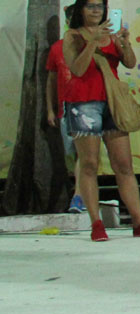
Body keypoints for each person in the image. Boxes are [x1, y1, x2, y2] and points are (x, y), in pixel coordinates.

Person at [62, 0, 140, 241]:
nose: (96, 11)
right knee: (89, 165)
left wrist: (124, 43)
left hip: (112, 103)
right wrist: (91, 42)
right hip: (84, 103)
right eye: (91, 6)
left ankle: (139, 221)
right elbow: (76, 69)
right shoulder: (72, 36)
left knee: (124, 165)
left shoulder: (110, 35)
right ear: (81, 9)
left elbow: (130, 63)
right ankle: (96, 223)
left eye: (100, 6)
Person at [45, 16, 84, 213]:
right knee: (71, 153)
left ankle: (79, 196)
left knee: (82, 153)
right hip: (64, 108)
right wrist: (50, 110)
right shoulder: (56, 49)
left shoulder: (88, 44)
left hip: (85, 107)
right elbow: (51, 80)